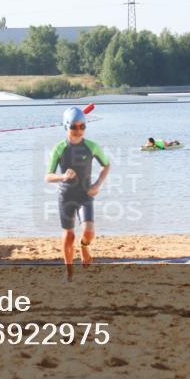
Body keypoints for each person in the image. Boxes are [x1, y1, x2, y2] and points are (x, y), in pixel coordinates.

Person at [45, 106, 111, 281]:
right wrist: (62, 176)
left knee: (88, 232)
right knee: (69, 235)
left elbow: (107, 165)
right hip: (66, 196)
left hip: (85, 194)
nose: (78, 130)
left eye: (82, 126)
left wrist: (97, 184)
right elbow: (47, 177)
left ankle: (84, 247)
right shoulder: (59, 148)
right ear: (66, 127)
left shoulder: (92, 146)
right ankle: (69, 271)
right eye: (74, 126)